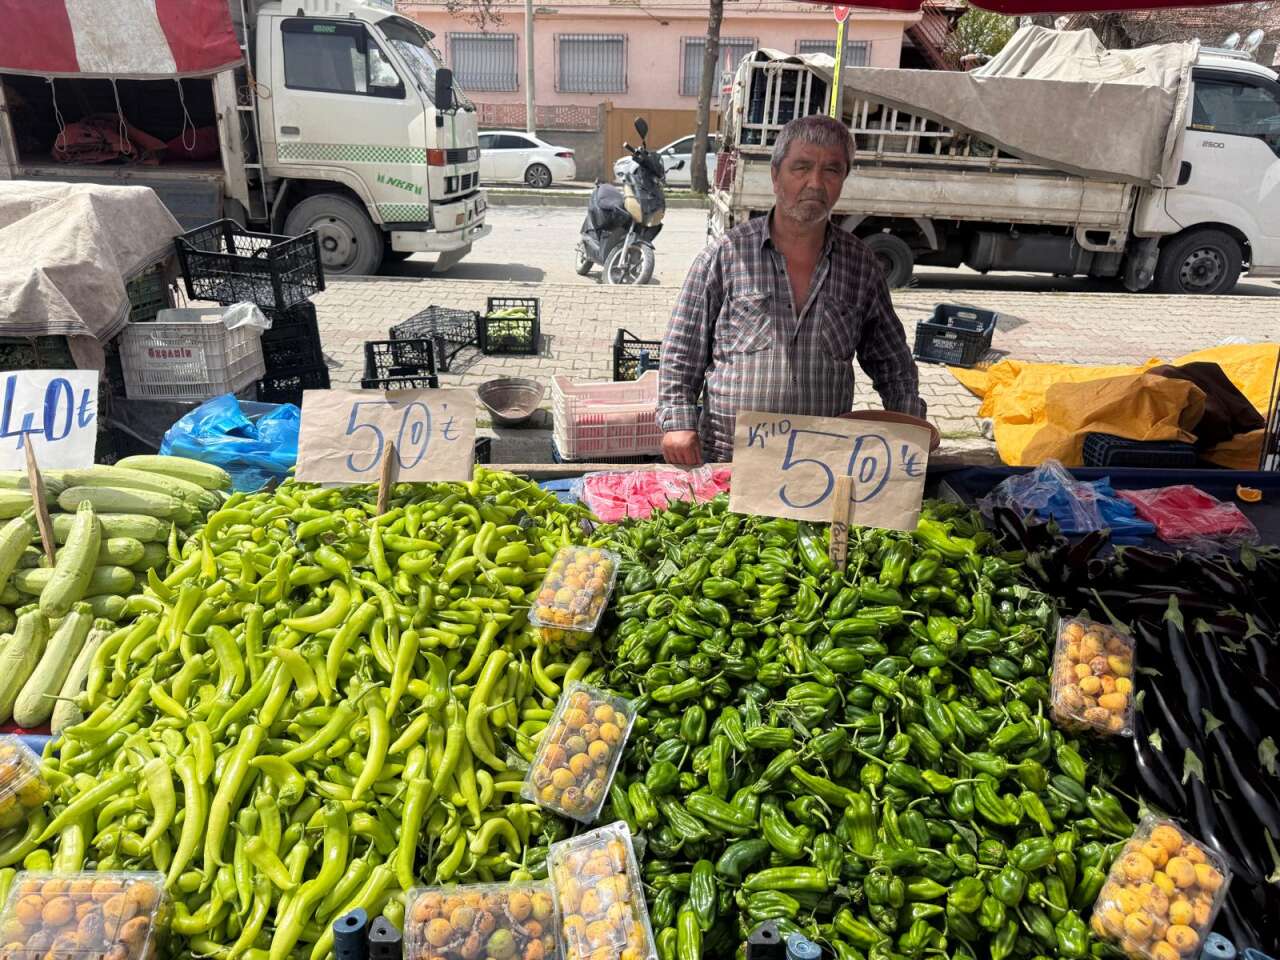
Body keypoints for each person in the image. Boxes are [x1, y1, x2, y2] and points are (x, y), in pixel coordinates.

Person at [658, 114, 927, 465]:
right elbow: (682, 348)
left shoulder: (860, 265)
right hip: (730, 457)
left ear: (843, 180)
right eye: (801, 167)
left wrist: (908, 424)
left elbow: (892, 360)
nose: (815, 183)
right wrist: (677, 422)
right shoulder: (726, 254)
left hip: (820, 462)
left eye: (831, 170)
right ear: (775, 175)